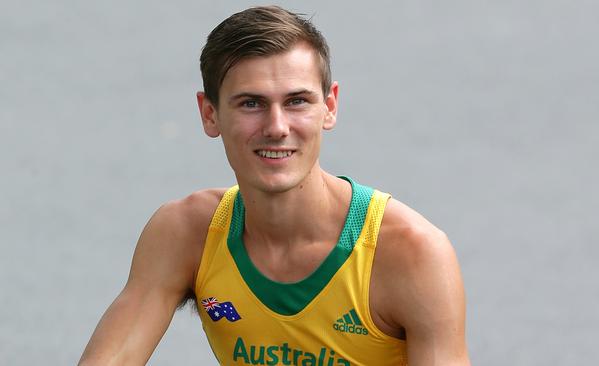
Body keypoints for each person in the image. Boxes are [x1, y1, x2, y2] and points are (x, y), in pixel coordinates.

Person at [79, 5, 469, 366]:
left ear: (329, 107)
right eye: (251, 103)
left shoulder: (410, 253)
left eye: (297, 101)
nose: (277, 127)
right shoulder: (186, 234)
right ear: (209, 114)